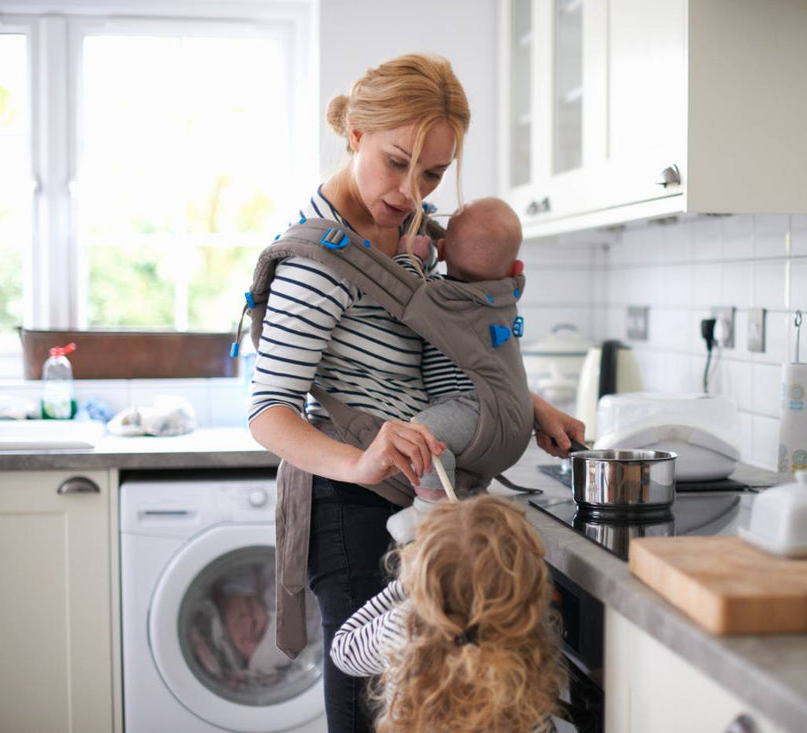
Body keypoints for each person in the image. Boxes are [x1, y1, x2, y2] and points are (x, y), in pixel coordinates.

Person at [247, 53, 584, 733]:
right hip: (351, 507)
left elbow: (444, 355)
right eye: (396, 162)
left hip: (418, 493)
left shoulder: (416, 238)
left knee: (433, 710)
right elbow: (267, 410)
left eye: (431, 173)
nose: (409, 190)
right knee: (373, 714)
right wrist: (361, 459)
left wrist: (528, 406)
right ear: (356, 135)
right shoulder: (317, 263)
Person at [330, 495, 565, 733]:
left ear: (422, 572)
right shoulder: (523, 653)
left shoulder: (402, 625)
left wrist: (403, 587)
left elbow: (343, 651)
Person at [385, 196, 524, 543]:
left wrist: (410, 257)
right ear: (516, 269)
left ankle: (430, 513)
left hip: (469, 407)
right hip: (509, 419)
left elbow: (398, 295)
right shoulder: (507, 296)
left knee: (423, 436)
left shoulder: (440, 297)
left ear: (442, 250)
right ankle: (466, 498)